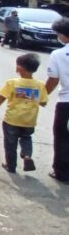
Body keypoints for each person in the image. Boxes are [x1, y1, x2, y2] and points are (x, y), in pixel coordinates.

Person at [0, 53, 48, 173]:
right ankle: (27, 155)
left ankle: (11, 166)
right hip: (29, 121)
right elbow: (43, 102)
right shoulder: (40, 85)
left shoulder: (12, 82)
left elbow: (2, 97)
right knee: (26, 138)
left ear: (19, 68)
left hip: (12, 120)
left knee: (10, 143)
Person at [44, 17, 69, 183]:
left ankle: (62, 172)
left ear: (63, 35)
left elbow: (53, 79)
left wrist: (43, 95)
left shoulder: (58, 54)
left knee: (61, 136)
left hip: (66, 102)